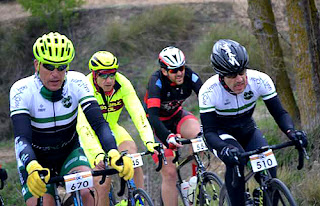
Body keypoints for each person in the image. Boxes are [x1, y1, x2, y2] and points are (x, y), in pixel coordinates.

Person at [9, 32, 133, 206]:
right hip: (35, 159)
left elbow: (98, 123)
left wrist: (112, 151)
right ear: (37, 65)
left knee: (88, 194)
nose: (55, 73)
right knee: (44, 203)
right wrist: (31, 165)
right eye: (49, 66)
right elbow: (22, 138)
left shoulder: (77, 82)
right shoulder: (22, 90)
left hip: (69, 152)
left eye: (61, 67)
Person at [198, 39, 308, 206]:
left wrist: (291, 132)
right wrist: (224, 148)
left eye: (242, 72)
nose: (240, 79)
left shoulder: (260, 80)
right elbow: (210, 131)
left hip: (248, 130)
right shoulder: (209, 91)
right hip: (221, 134)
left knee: (270, 170)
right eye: (232, 75)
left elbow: (279, 113)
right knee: (236, 164)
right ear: (221, 75)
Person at [77, 51, 158, 206]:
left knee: (133, 156)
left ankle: (137, 201)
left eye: (112, 74)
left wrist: (149, 141)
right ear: (94, 74)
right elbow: (82, 125)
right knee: (103, 180)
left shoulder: (122, 83)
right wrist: (97, 154)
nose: (109, 80)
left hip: (113, 128)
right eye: (103, 75)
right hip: (88, 134)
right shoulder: (84, 87)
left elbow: (138, 113)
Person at [144, 46, 203, 206]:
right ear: (164, 71)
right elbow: (154, 118)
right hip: (156, 125)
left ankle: (193, 184)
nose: (179, 73)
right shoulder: (156, 82)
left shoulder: (190, 75)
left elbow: (206, 100)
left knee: (201, 138)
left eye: (181, 68)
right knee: (169, 173)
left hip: (177, 116)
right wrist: (167, 136)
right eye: (174, 70)